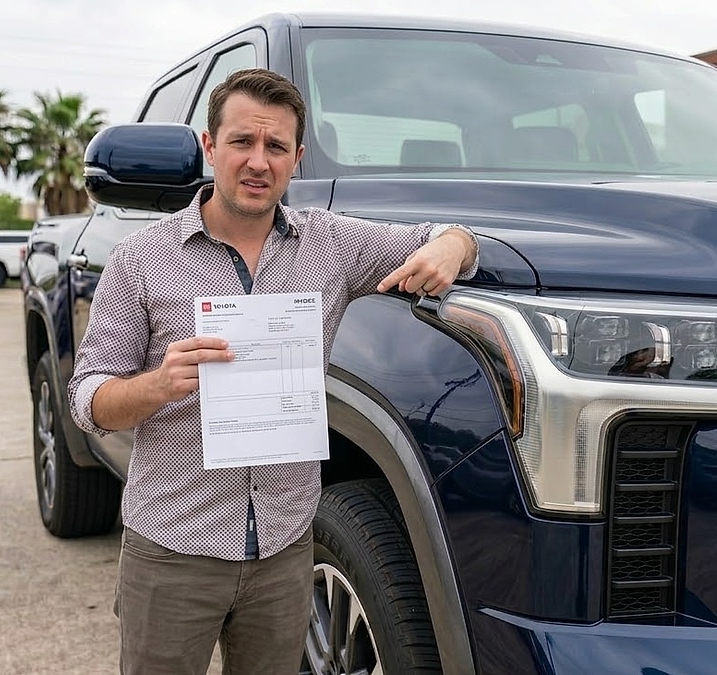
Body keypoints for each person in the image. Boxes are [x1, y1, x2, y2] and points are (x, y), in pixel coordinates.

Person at [68, 68, 478, 675]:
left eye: (276, 147)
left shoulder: (330, 246)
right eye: (241, 142)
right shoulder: (141, 258)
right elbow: (86, 397)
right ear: (210, 147)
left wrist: (451, 248)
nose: (258, 162)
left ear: (296, 158)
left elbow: (451, 237)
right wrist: (156, 386)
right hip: (174, 548)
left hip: (286, 550)